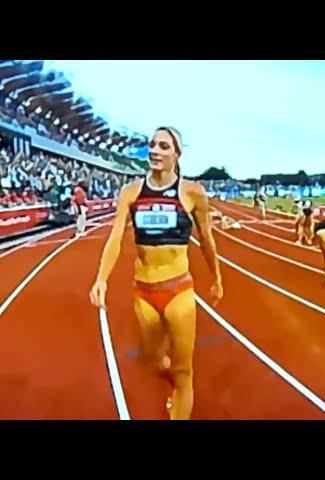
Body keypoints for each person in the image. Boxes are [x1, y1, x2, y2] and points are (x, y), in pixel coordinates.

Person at [89, 127, 223, 420]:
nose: (156, 151)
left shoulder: (192, 193)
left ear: (177, 154)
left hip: (179, 290)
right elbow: (115, 238)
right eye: (152, 145)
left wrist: (217, 277)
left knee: (184, 369)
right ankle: (178, 385)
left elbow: (207, 240)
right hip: (144, 292)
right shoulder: (131, 192)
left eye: (164, 146)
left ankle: (181, 395)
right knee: (151, 361)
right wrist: (101, 278)